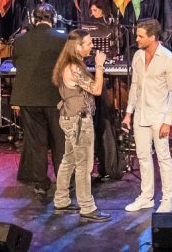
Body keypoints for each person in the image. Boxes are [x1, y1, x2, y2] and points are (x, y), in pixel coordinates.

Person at [122, 19, 172, 214]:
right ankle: (146, 197)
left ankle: (167, 200)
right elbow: (135, 86)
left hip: (159, 116)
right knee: (142, 157)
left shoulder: (168, 59)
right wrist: (128, 114)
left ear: (152, 37)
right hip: (141, 114)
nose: (137, 39)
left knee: (163, 157)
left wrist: (168, 121)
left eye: (140, 36)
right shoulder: (138, 57)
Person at [52, 28, 110, 222]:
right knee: (84, 165)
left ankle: (61, 200)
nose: (92, 46)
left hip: (70, 118)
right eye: (88, 43)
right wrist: (100, 66)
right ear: (77, 46)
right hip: (78, 121)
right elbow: (96, 89)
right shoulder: (74, 68)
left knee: (68, 160)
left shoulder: (70, 64)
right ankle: (87, 207)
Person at [12, 4, 67, 199]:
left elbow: (17, 63)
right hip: (55, 98)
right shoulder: (63, 39)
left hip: (28, 98)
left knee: (37, 144)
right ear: (53, 19)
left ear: (34, 19)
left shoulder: (20, 40)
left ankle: (41, 184)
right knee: (60, 142)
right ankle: (62, 183)